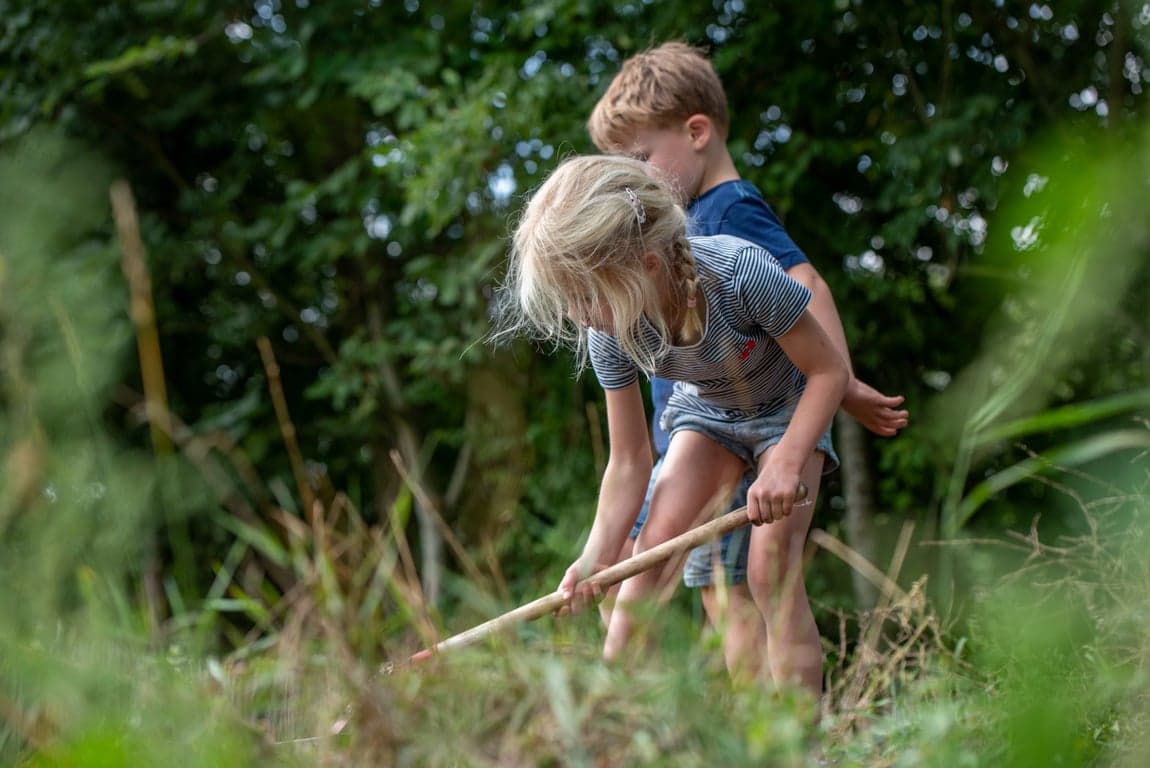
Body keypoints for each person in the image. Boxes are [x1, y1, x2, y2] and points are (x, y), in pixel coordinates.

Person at [584, 42, 909, 687]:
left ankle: (785, 731)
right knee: (717, 592)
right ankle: (750, 729)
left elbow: (806, 286)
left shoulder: (725, 214)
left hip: (767, 415)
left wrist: (842, 388)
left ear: (696, 132)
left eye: (642, 160)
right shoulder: (657, 237)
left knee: (752, 580)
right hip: (704, 423)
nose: (636, 184)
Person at [499, 153, 849, 697]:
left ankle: (802, 744)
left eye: (585, 293)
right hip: (708, 417)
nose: (578, 313)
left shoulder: (740, 273)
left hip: (788, 410)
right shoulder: (610, 333)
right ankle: (612, 723)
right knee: (641, 572)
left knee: (769, 571)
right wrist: (593, 558)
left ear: (648, 265)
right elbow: (629, 461)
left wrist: (783, 461)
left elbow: (829, 371)